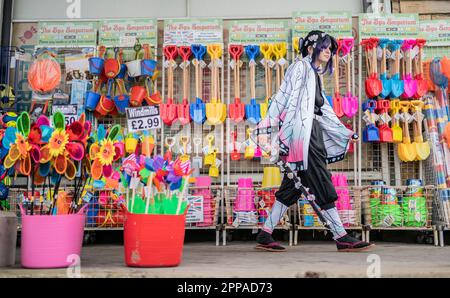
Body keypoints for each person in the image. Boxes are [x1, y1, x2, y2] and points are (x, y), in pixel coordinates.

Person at [253, 30, 374, 252]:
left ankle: (265, 234)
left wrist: (343, 131)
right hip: (303, 138)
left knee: (292, 188)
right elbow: (289, 104)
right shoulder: (300, 68)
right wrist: (283, 140)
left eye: (330, 48)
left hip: (309, 134)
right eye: (324, 46)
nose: (328, 51)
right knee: (320, 179)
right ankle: (341, 235)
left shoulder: (313, 74)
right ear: (311, 49)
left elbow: (322, 109)